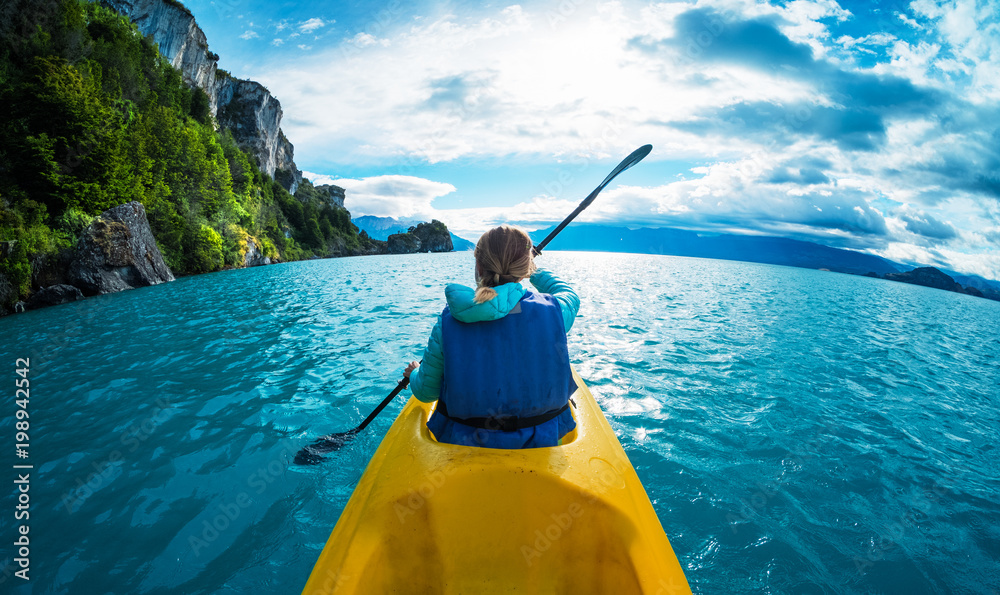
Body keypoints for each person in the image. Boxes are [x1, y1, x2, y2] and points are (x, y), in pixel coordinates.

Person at [404, 225, 580, 448]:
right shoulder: (556, 312)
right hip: (542, 440)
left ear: (478, 266)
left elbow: (426, 392)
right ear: (525, 267)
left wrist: (414, 373)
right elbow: (570, 295)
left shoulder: (448, 321)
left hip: (464, 444)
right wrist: (533, 268)